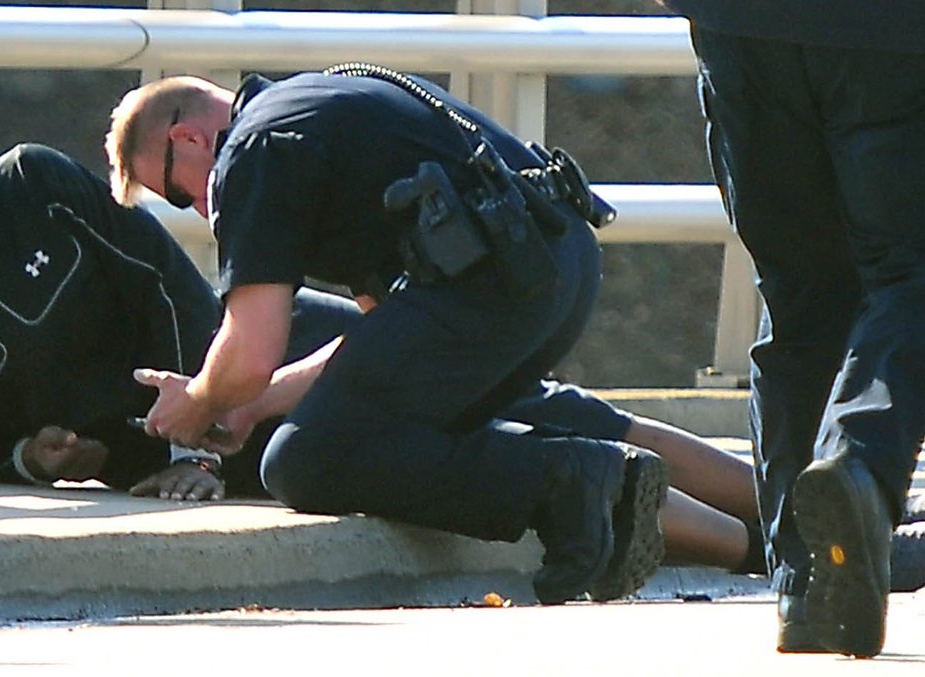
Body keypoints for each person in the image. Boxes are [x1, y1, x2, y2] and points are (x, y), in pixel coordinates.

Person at [106, 68, 673, 606]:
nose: (200, 208)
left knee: (307, 459)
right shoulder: (321, 101)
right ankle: (748, 533)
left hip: (493, 288)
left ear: (190, 137)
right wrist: (253, 409)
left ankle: (570, 480)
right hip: (559, 266)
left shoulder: (252, 152)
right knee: (448, 420)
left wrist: (199, 401)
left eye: (179, 194)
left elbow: (251, 351)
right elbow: (376, 335)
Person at [0, 134, 358, 501]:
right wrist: (32, 460)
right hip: (179, 474)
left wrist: (193, 447)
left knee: (415, 348)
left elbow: (168, 284)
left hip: (262, 348)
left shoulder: (33, 185)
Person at [662, 1, 925, 658]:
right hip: (891, 34)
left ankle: (806, 587)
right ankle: (858, 459)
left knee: (801, 292)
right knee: (910, 272)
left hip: (740, 26)